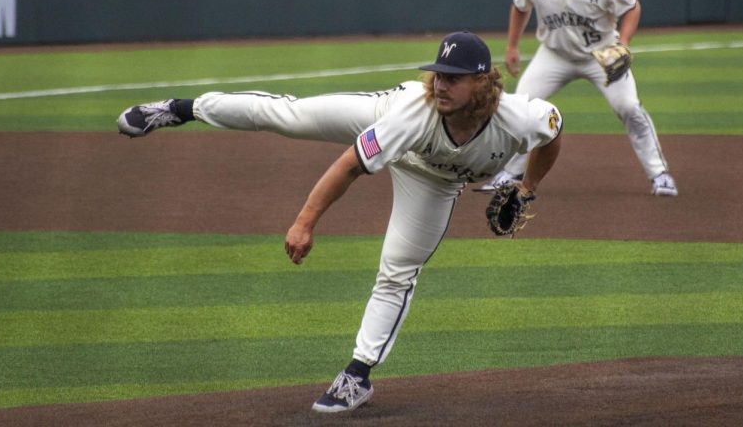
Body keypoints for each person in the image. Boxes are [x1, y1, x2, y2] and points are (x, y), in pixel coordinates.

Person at [117, 31, 563, 413]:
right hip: (388, 119)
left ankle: (357, 376)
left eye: (453, 77)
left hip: (435, 182)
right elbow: (350, 164)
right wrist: (304, 222)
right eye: (438, 74)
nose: (440, 84)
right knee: (290, 115)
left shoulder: (519, 115)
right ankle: (182, 108)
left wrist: (527, 188)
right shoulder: (417, 110)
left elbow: (553, 132)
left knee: (398, 270)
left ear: (482, 81)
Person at [479, 0, 677, 196]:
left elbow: (632, 7)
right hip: (554, 55)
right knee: (520, 108)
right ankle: (512, 172)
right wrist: (512, 46)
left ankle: (660, 174)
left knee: (629, 107)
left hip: (601, 56)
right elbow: (520, 6)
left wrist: (624, 42)